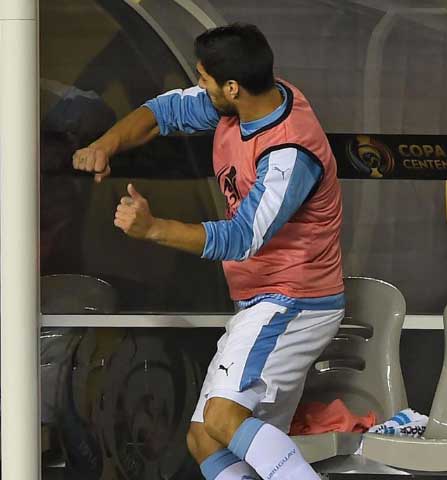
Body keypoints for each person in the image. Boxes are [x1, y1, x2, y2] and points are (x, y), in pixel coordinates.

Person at [73, 23, 342, 480]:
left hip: (293, 302)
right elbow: (163, 112)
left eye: (204, 78)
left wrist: (154, 228)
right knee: (204, 439)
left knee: (219, 420)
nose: (199, 86)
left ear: (232, 87)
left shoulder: (290, 152)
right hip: (261, 302)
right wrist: (106, 144)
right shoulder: (246, 103)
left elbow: (240, 238)